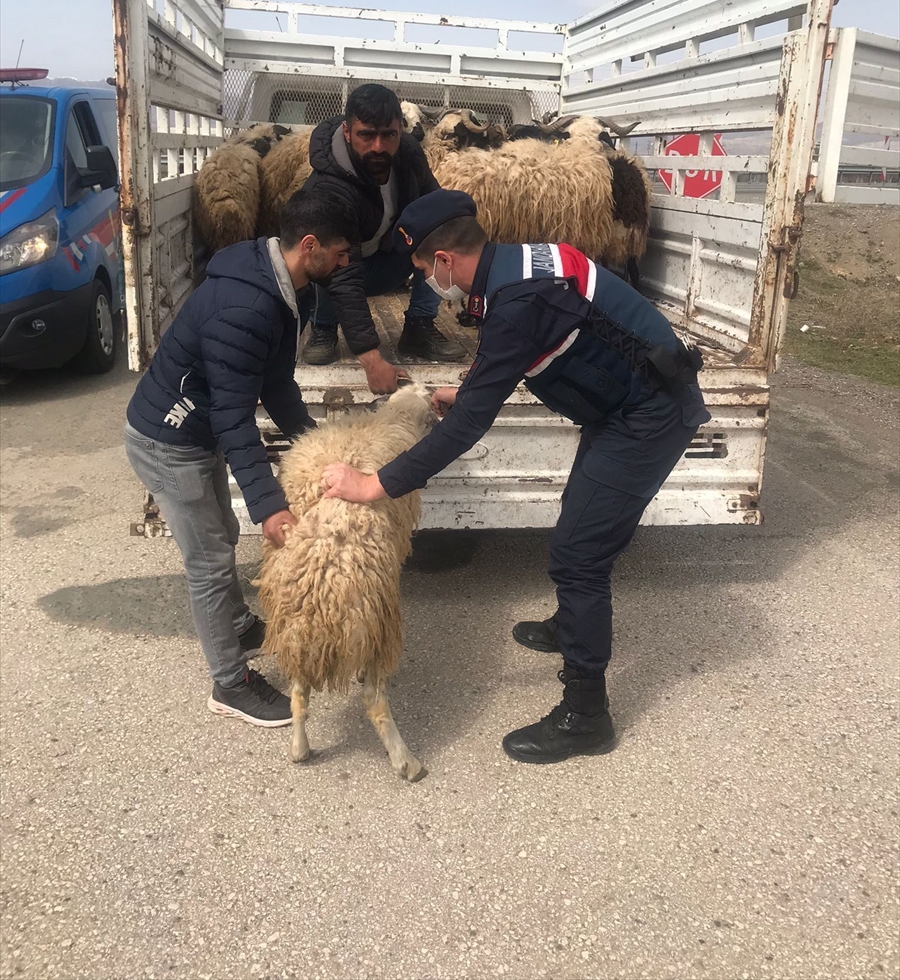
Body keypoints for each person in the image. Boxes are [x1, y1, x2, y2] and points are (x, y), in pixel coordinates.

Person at [321, 189, 710, 765]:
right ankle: (570, 624)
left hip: (648, 417)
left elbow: (468, 426)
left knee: (578, 555)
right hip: (624, 406)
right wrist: (472, 386)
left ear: (447, 261)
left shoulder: (518, 297)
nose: (425, 279)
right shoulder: (517, 267)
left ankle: (586, 716)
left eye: (424, 268)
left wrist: (374, 484)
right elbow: (524, 344)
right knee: (578, 522)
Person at [124, 189, 356, 727]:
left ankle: (238, 623)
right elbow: (234, 416)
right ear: (310, 245)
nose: (346, 264)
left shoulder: (275, 284)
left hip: (194, 432)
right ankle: (229, 684)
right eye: (341, 253)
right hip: (168, 440)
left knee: (222, 534)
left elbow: (274, 381)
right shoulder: (246, 305)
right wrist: (270, 505)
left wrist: (312, 442)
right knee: (207, 561)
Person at [302, 83, 465, 393]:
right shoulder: (328, 187)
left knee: (440, 227)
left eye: (388, 135)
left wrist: (461, 225)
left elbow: (433, 203)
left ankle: (419, 325)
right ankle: (324, 327)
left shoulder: (408, 155)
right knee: (322, 254)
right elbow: (344, 275)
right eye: (367, 135)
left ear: (400, 132)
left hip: (388, 260)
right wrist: (371, 359)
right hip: (343, 269)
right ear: (347, 132)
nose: (378, 146)